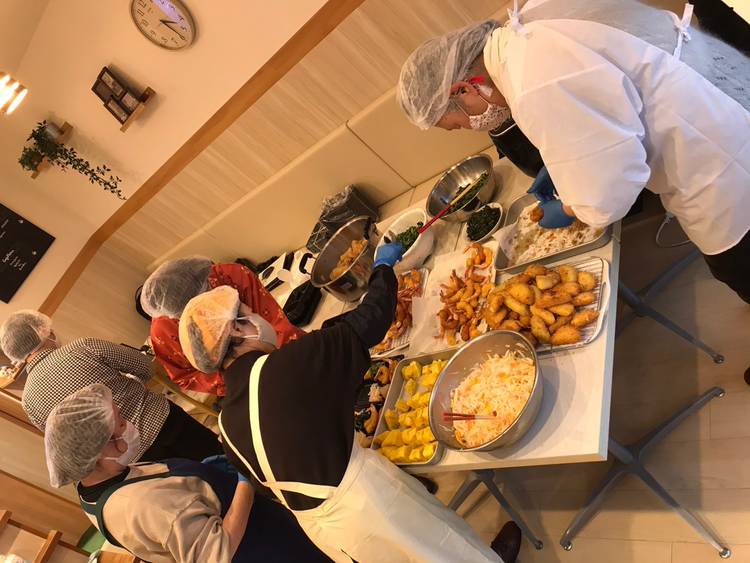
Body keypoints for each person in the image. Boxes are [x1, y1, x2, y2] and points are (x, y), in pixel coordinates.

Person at [178, 242, 522, 563]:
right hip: (369, 502)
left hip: (328, 533)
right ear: (238, 330)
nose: (258, 316)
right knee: (444, 549)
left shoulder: (225, 426)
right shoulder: (289, 365)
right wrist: (383, 267)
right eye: (247, 312)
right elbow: (372, 318)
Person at [397, 0, 750, 302]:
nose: (472, 127)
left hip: (716, 163)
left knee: (737, 267)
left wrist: (570, 207)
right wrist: (563, 166)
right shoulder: (528, 24)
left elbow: (609, 193)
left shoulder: (531, 85)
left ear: (463, 89)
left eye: (459, 123)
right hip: (717, 86)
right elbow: (601, 100)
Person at [43, 384, 331, 563]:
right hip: (261, 550)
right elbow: (218, 552)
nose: (129, 425)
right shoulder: (145, 505)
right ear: (99, 449)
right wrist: (245, 480)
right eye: (120, 424)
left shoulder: (94, 487)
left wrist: (203, 474)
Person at [0, 310, 222, 462]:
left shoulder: (29, 402)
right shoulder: (82, 347)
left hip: (134, 459)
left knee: (207, 491)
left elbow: (68, 440)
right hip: (163, 423)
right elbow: (145, 367)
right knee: (222, 461)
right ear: (44, 331)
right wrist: (127, 383)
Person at [141, 255, 305, 396]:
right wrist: (241, 378)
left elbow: (274, 321)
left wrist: (291, 363)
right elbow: (186, 376)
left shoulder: (229, 276)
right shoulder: (163, 332)